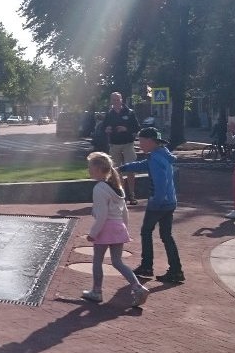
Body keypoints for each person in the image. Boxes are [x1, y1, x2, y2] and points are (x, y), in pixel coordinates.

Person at [82, 152, 150, 307]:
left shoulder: (99, 188)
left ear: (98, 169)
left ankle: (96, 291)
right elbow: (124, 211)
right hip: (118, 227)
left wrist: (93, 233)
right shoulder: (117, 187)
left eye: (90, 168)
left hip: (105, 228)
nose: (89, 171)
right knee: (117, 262)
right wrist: (124, 228)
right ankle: (138, 287)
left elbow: (102, 215)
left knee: (97, 260)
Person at [118, 127, 184, 283]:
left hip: (158, 203)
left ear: (150, 141)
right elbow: (143, 165)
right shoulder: (161, 154)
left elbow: (161, 182)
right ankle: (176, 270)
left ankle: (147, 266)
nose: (139, 144)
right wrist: (123, 168)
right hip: (170, 202)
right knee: (166, 236)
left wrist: (156, 201)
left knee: (146, 232)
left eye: (141, 141)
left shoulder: (155, 158)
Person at [104, 92, 141, 205]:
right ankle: (121, 194)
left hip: (128, 144)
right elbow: (103, 128)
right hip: (114, 145)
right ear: (111, 101)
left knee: (130, 169)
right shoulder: (109, 114)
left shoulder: (129, 113)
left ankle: (132, 194)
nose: (115, 101)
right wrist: (107, 129)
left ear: (121, 100)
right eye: (113, 100)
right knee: (116, 171)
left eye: (117, 99)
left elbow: (137, 128)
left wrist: (126, 129)